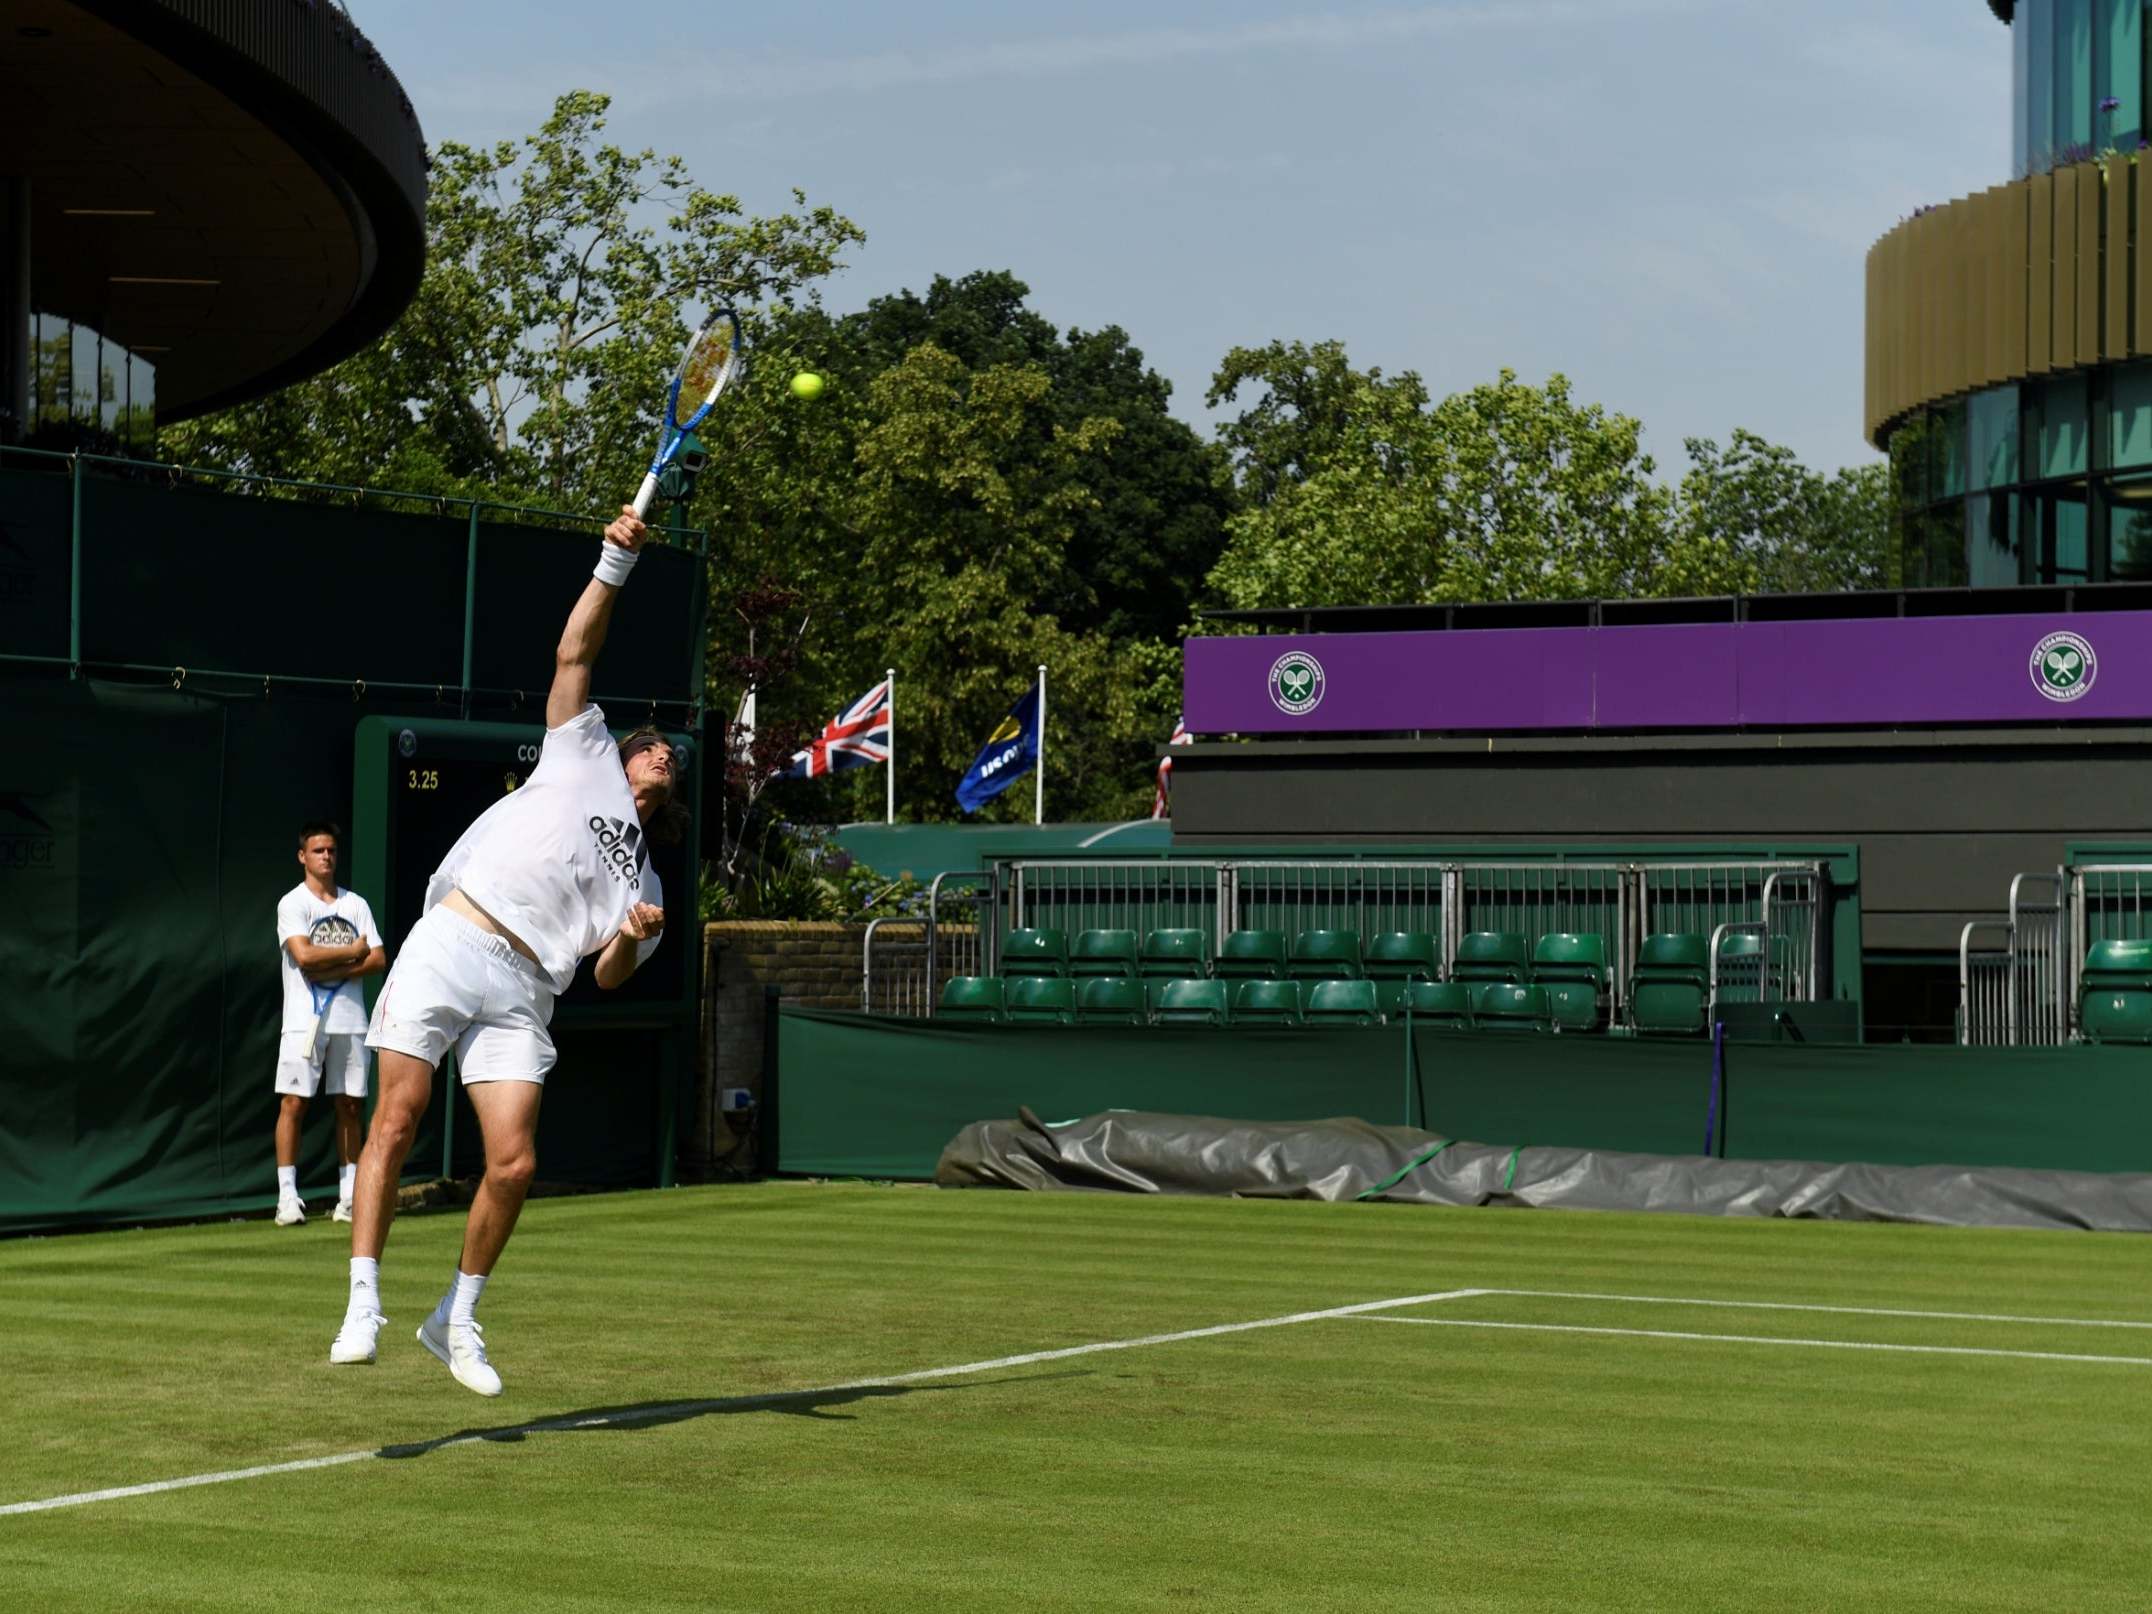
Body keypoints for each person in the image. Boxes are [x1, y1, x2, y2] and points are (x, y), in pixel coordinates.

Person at [330, 505, 684, 1395]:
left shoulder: (648, 889)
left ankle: (455, 1314)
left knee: (515, 1163)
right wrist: (615, 561)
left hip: (529, 988)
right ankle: (362, 1300)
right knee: (398, 1120)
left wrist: (634, 943)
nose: (665, 758)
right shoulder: (584, 747)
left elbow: (604, 976)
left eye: (672, 760)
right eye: (655, 752)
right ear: (626, 753)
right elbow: (574, 653)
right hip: (457, 936)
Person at [274, 823, 387, 1226]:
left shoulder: (356, 904)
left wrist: (341, 962)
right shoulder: (292, 904)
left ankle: (349, 1199)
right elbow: (303, 957)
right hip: (304, 1022)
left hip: (351, 1021)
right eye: (318, 850)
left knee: (351, 1106)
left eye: (332, 851)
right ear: (303, 856)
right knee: (294, 1102)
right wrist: (351, 952)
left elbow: (377, 958)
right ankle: (288, 1198)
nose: (326, 857)